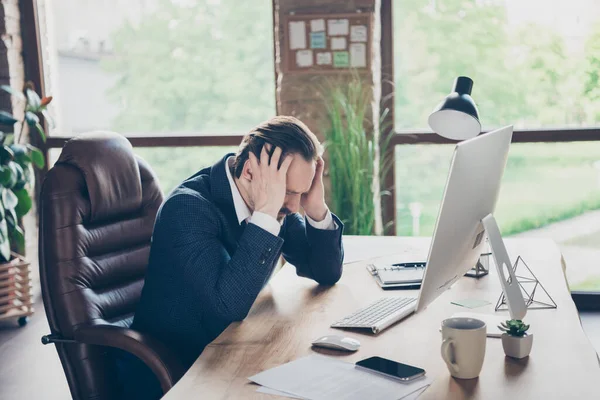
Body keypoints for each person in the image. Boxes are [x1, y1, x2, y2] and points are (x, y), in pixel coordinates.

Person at [117, 116, 344, 399]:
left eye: (301, 193)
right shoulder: (187, 209)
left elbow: (325, 271)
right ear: (250, 171)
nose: (294, 205)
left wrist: (317, 208)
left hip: (235, 352)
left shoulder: (276, 200)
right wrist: (266, 213)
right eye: (289, 192)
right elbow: (228, 306)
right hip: (181, 372)